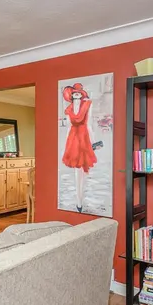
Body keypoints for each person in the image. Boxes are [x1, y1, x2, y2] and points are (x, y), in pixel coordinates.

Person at [62, 83, 98, 212]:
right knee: (78, 171)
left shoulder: (87, 105)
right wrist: (66, 146)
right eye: (74, 93)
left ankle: (80, 200)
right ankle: (79, 200)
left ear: (81, 95)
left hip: (83, 137)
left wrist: (93, 142)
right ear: (71, 96)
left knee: (82, 170)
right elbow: (69, 128)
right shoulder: (69, 110)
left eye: (78, 93)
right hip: (74, 138)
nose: (76, 95)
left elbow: (89, 125)